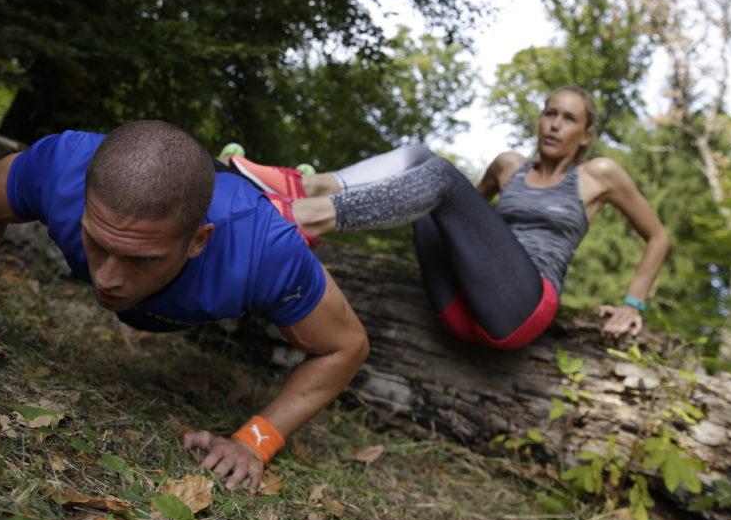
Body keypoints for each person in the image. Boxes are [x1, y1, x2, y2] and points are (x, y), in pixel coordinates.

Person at [0, 121, 369, 492]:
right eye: (96, 243)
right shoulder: (64, 166)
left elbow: (344, 347)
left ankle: (296, 189)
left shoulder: (265, 248)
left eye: (141, 258)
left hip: (258, 217)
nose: (108, 279)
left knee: (289, 216)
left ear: (198, 241)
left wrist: (255, 440)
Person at [229, 85, 669, 349]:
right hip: (460, 306)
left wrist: (633, 303)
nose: (554, 124)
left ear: (586, 134)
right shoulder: (508, 166)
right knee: (422, 164)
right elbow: (450, 209)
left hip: (520, 310)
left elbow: (657, 238)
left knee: (436, 174)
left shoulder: (599, 176)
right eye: (549, 113)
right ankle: (309, 188)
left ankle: (302, 218)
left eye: (568, 119)